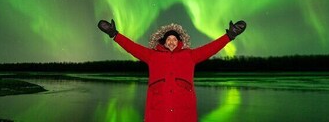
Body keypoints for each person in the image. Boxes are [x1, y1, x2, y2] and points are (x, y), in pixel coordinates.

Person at [97, 19, 246, 122]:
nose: (171, 41)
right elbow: (132, 47)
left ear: (180, 42)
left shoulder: (190, 55)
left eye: (175, 39)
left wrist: (229, 36)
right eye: (168, 39)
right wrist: (114, 34)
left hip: (183, 111)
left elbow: (210, 48)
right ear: (163, 42)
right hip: (158, 110)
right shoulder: (152, 55)